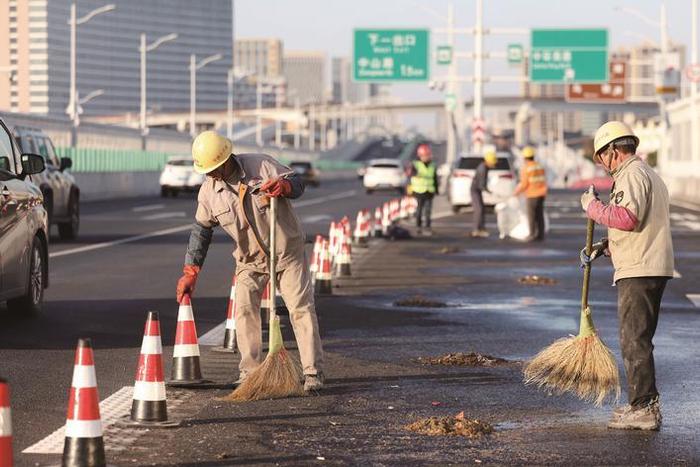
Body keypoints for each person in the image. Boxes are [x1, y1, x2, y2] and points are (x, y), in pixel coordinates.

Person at [176, 131, 324, 392]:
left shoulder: (261, 165)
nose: (213, 175)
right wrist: (191, 270)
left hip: (286, 252)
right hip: (250, 260)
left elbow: (298, 183)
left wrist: (285, 187)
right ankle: (251, 374)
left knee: (300, 309)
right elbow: (201, 232)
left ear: (226, 159)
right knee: (243, 311)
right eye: (208, 171)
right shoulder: (209, 193)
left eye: (216, 169)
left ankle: (312, 372)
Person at [580, 121, 674, 431]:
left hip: (640, 268)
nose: (601, 164)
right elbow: (639, 223)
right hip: (647, 262)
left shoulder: (631, 174)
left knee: (633, 339)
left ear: (612, 151)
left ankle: (644, 409)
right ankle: (641, 402)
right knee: (638, 338)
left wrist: (593, 207)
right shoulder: (646, 173)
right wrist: (604, 246)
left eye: (601, 157)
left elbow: (627, 217)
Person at [513, 146, 548, 241]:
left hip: (532, 195)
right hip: (541, 194)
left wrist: (516, 192)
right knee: (539, 215)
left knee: (531, 216)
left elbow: (524, 184)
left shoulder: (526, 168)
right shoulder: (539, 166)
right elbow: (544, 179)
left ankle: (532, 234)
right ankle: (540, 235)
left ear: (524, 158)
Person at [409, 143, 439, 236]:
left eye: (428, 155)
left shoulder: (433, 165)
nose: (426, 157)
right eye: (424, 155)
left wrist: (436, 189)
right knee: (419, 210)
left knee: (428, 211)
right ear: (420, 156)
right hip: (418, 191)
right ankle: (418, 227)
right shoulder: (416, 165)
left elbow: (434, 178)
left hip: (429, 191)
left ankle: (427, 227)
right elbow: (411, 175)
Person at [470, 151, 497, 238]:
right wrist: (488, 191)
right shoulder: (483, 168)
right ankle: (476, 230)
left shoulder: (485, 167)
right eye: (493, 163)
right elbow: (481, 184)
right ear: (489, 161)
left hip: (477, 190)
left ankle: (481, 228)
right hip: (475, 190)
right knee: (479, 209)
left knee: (482, 209)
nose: (494, 165)